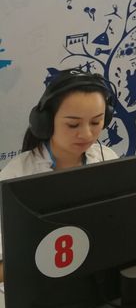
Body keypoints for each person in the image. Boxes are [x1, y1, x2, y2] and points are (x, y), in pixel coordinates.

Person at [0, 69, 119, 281]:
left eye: (96, 122)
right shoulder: (15, 176)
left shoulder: (107, 159)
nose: (87, 134)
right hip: (38, 284)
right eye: (73, 124)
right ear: (45, 123)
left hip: (97, 279)